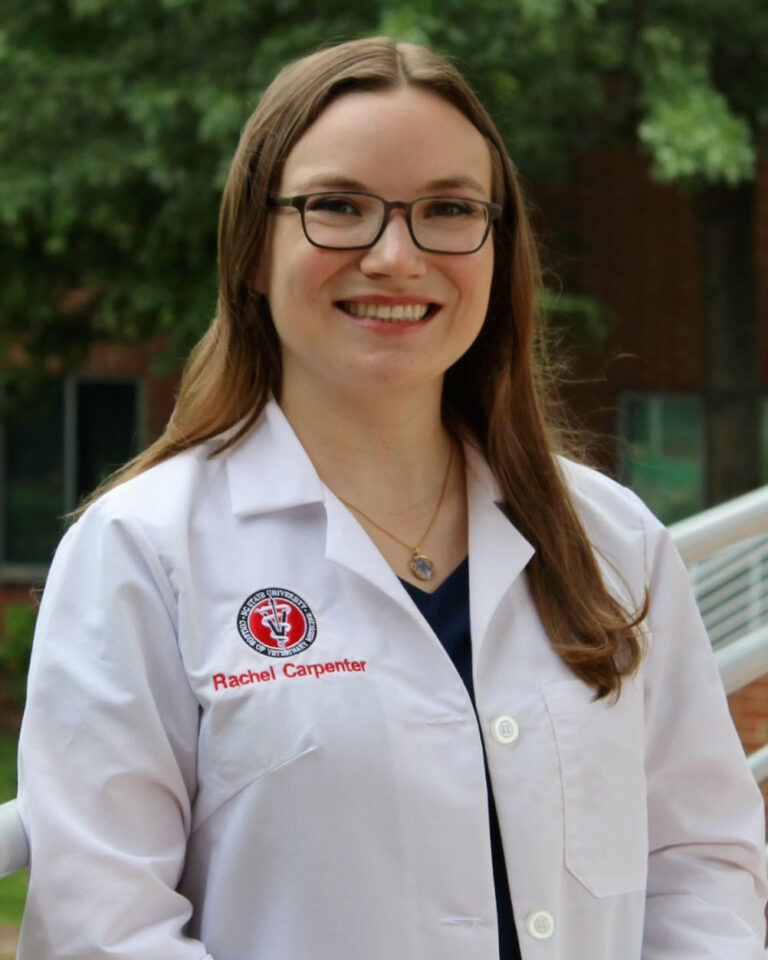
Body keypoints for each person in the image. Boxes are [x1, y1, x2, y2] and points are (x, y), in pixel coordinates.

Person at [16, 36, 767, 960]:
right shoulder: (141, 550)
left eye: (449, 209)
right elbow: (106, 927)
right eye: (339, 207)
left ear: (498, 249)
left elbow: (701, 858)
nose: (395, 256)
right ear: (254, 248)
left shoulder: (615, 541)